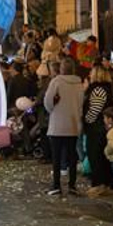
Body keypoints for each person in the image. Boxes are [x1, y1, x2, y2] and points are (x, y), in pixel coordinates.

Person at [43, 58, 85, 196]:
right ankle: (72, 185)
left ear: (61, 69)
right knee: (72, 156)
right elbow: (81, 102)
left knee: (56, 156)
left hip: (57, 124)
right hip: (73, 124)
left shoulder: (56, 82)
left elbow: (48, 101)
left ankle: (56, 185)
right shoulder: (79, 83)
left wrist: (53, 109)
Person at [82, 65, 113, 195]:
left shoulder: (98, 90)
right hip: (100, 127)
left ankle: (99, 183)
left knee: (96, 155)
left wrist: (87, 120)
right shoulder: (106, 89)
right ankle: (104, 183)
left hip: (96, 128)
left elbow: (94, 110)